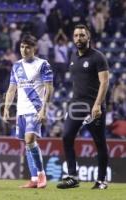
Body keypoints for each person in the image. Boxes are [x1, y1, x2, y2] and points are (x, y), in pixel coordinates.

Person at [56, 24, 109, 190]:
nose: (79, 38)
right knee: (66, 136)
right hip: (76, 105)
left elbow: (105, 81)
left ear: (89, 37)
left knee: (99, 142)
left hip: (93, 106)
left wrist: (98, 105)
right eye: (76, 35)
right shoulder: (72, 56)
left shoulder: (98, 57)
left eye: (82, 35)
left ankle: (101, 180)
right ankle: (72, 176)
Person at [3, 35, 54, 189]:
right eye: (22, 47)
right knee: (28, 144)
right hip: (21, 110)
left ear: (34, 48)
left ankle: (41, 175)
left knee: (30, 139)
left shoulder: (43, 64)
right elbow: (12, 89)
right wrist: (6, 108)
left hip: (36, 109)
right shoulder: (16, 66)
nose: (24, 50)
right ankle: (33, 179)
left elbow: (49, 88)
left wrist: (44, 109)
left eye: (28, 47)